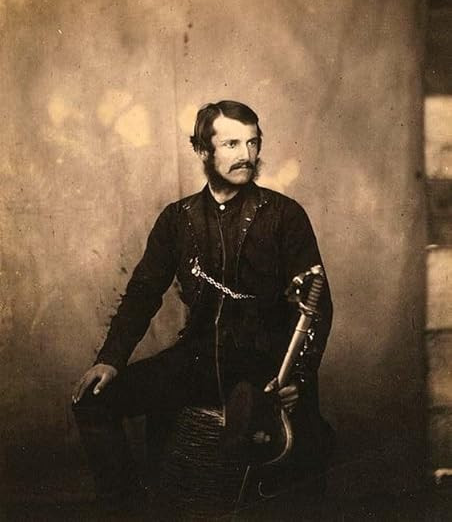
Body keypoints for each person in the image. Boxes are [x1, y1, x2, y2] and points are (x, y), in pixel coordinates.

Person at [72, 100, 333, 513]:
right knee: (93, 401)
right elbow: (143, 293)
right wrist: (110, 358)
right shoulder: (177, 219)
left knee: (301, 469)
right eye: (231, 144)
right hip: (197, 361)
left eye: (252, 142)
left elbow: (318, 307)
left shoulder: (285, 216)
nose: (246, 155)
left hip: (266, 366)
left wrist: (296, 379)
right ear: (202, 151)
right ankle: (129, 512)